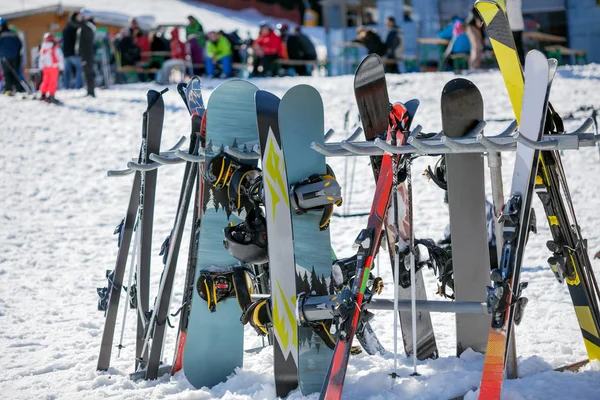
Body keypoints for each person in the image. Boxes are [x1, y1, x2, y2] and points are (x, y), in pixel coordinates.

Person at [38, 32, 64, 103]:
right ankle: (51, 96)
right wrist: (61, 67)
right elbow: (60, 58)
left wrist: (41, 67)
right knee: (53, 82)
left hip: (45, 68)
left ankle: (43, 95)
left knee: (45, 81)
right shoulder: (55, 48)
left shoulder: (43, 48)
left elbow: (41, 59)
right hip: (54, 67)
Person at [0, 17, 23, 94]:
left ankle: (8, 89)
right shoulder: (13, 33)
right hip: (14, 56)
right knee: (15, 72)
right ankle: (18, 88)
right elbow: (20, 44)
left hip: (4, 56)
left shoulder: (1, 34)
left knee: (6, 73)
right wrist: (16, 53)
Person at [77, 9, 96, 97]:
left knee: (88, 73)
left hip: (88, 54)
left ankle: (91, 91)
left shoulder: (88, 26)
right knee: (87, 72)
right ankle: (89, 91)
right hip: (86, 53)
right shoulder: (87, 25)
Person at [62, 12, 82, 89]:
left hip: (66, 54)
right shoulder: (76, 28)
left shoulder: (65, 28)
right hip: (74, 53)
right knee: (79, 70)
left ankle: (66, 87)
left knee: (67, 72)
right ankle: (78, 86)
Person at [506, 0, 525, 64]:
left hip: (512, 26)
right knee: (518, 45)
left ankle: (516, 62)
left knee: (514, 46)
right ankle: (521, 62)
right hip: (519, 25)